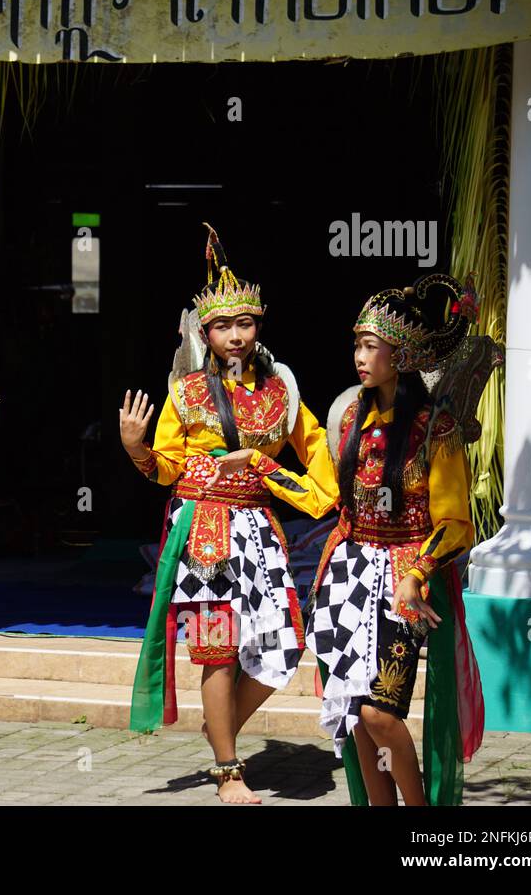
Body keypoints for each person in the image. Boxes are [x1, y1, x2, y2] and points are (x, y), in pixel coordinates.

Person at [121, 224, 338, 804]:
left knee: (282, 646)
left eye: (244, 323)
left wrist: (272, 473)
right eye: (222, 326)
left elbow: (318, 470)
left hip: (259, 539)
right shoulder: (186, 392)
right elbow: (164, 468)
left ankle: (221, 730)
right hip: (203, 535)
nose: (235, 336)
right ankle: (227, 770)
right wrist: (138, 447)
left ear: (258, 325)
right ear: (206, 332)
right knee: (215, 652)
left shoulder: (282, 393)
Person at [308, 273, 487, 806]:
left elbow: (456, 523)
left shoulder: (436, 430)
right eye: (357, 344)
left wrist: (417, 573)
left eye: (370, 346)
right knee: (358, 715)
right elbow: (326, 497)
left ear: (402, 354)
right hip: (348, 572)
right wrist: (260, 470)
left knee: (381, 712)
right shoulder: (351, 422)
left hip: (403, 576)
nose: (359, 356)